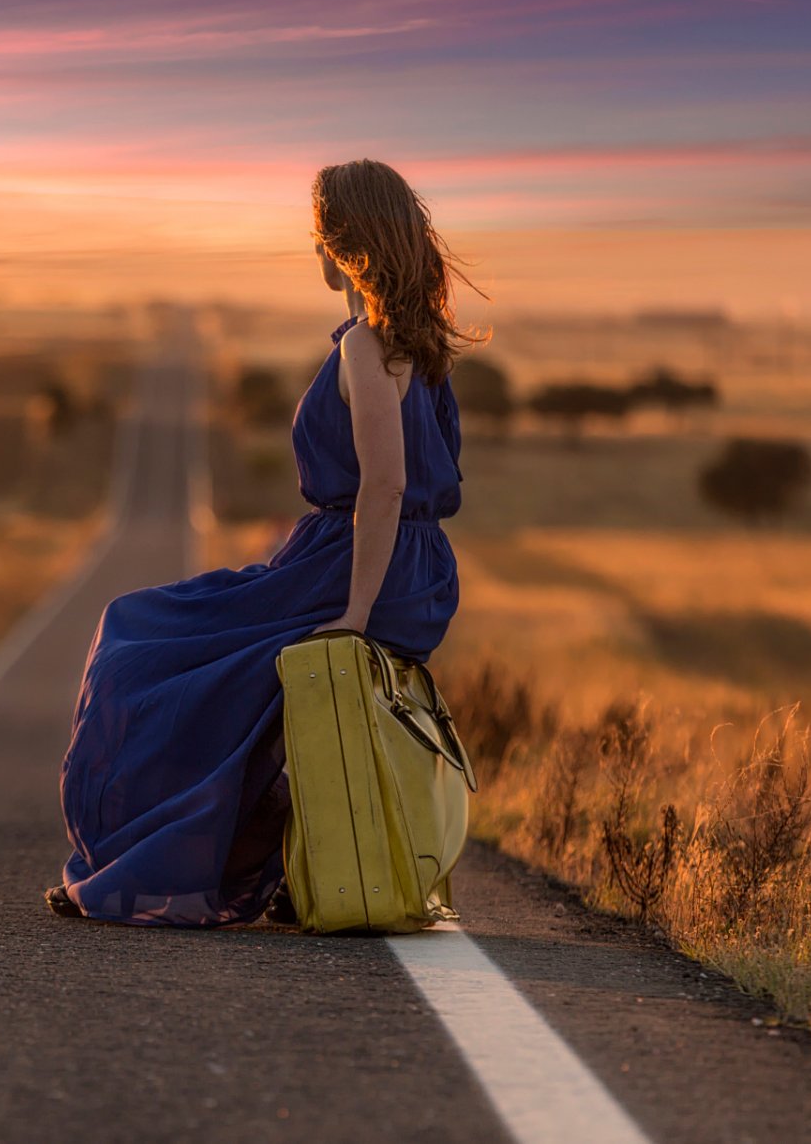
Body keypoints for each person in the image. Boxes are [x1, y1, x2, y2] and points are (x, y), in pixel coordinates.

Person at [47, 158, 484, 927]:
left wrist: (354, 613)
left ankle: (125, 866)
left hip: (354, 568)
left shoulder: (364, 346)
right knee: (230, 677)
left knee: (140, 637)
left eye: (318, 238)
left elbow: (383, 487)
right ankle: (242, 865)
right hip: (408, 569)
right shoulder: (424, 349)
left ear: (339, 246)